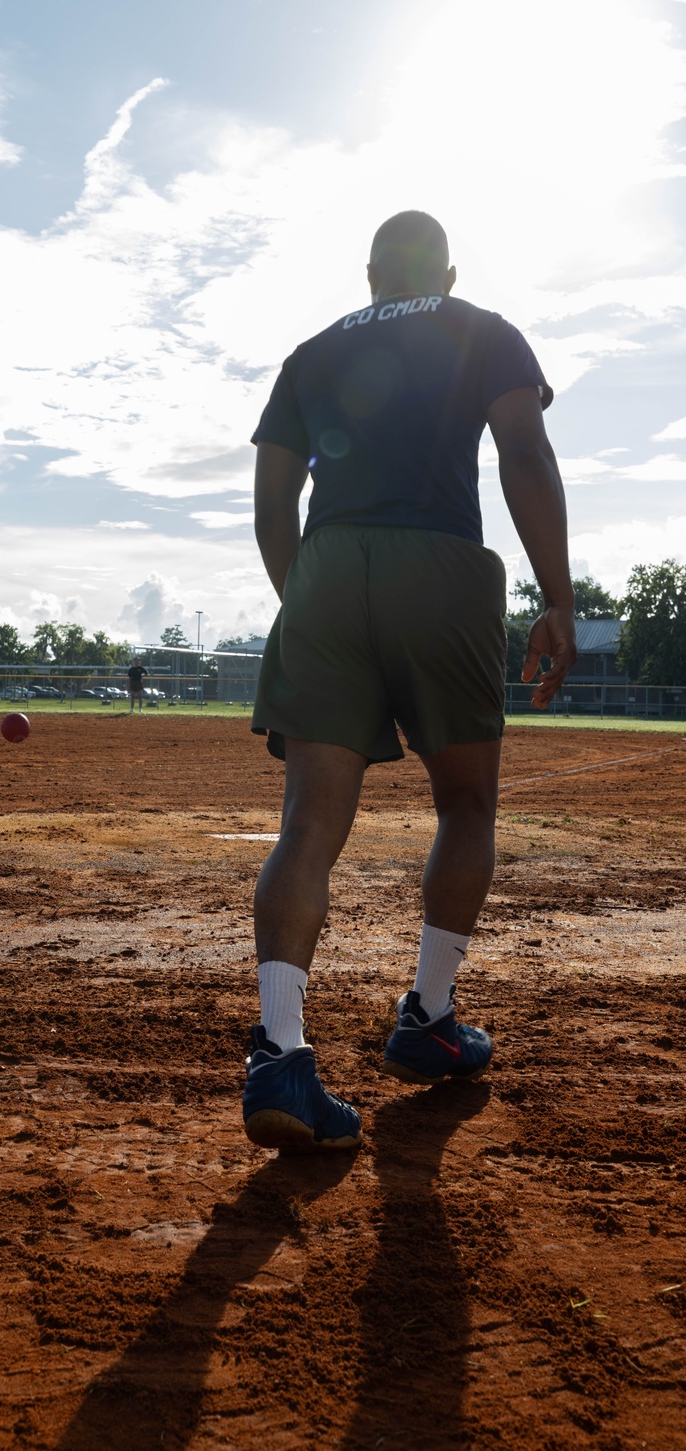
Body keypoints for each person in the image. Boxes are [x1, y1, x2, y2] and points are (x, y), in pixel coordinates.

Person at [241, 211, 576, 1153]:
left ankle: (279, 1053)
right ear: (448, 270)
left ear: (370, 275)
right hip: (440, 565)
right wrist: (559, 597)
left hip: (328, 568)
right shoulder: (482, 326)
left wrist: (305, 595)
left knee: (308, 822)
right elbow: (524, 451)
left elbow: (273, 498)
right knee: (466, 803)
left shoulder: (310, 351)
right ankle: (428, 1021)